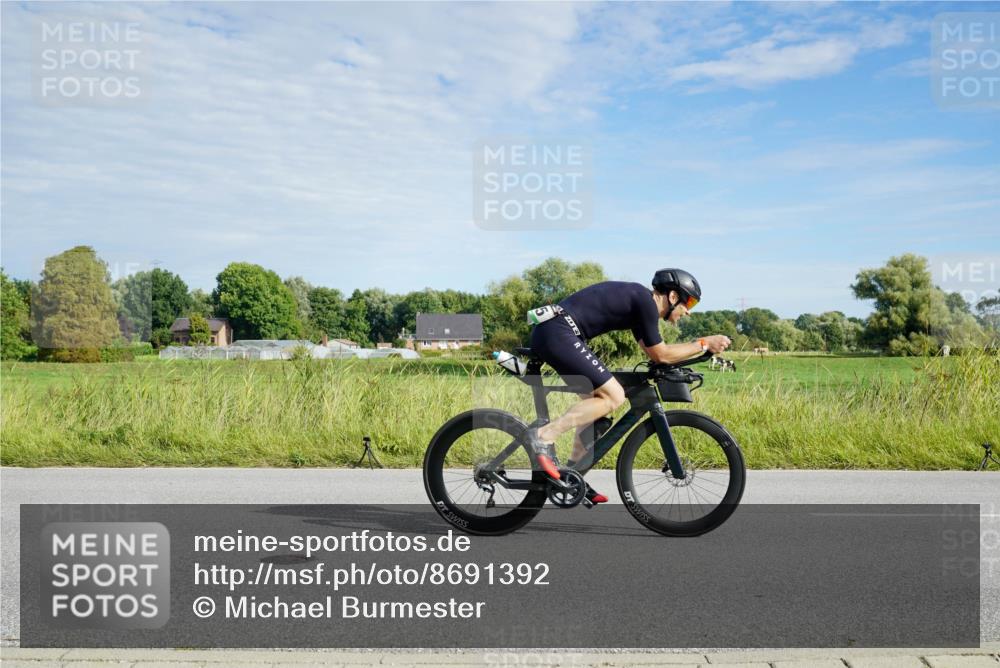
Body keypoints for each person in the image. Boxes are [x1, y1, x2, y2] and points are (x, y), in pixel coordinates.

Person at [525, 268, 731, 504]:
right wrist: (704, 343)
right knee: (614, 396)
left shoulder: (640, 307)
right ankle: (543, 436)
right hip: (559, 332)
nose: (688, 312)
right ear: (673, 297)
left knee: (597, 409)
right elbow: (662, 355)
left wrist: (696, 349)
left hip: (557, 331)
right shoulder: (644, 301)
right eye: (690, 303)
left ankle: (571, 475)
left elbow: (656, 354)